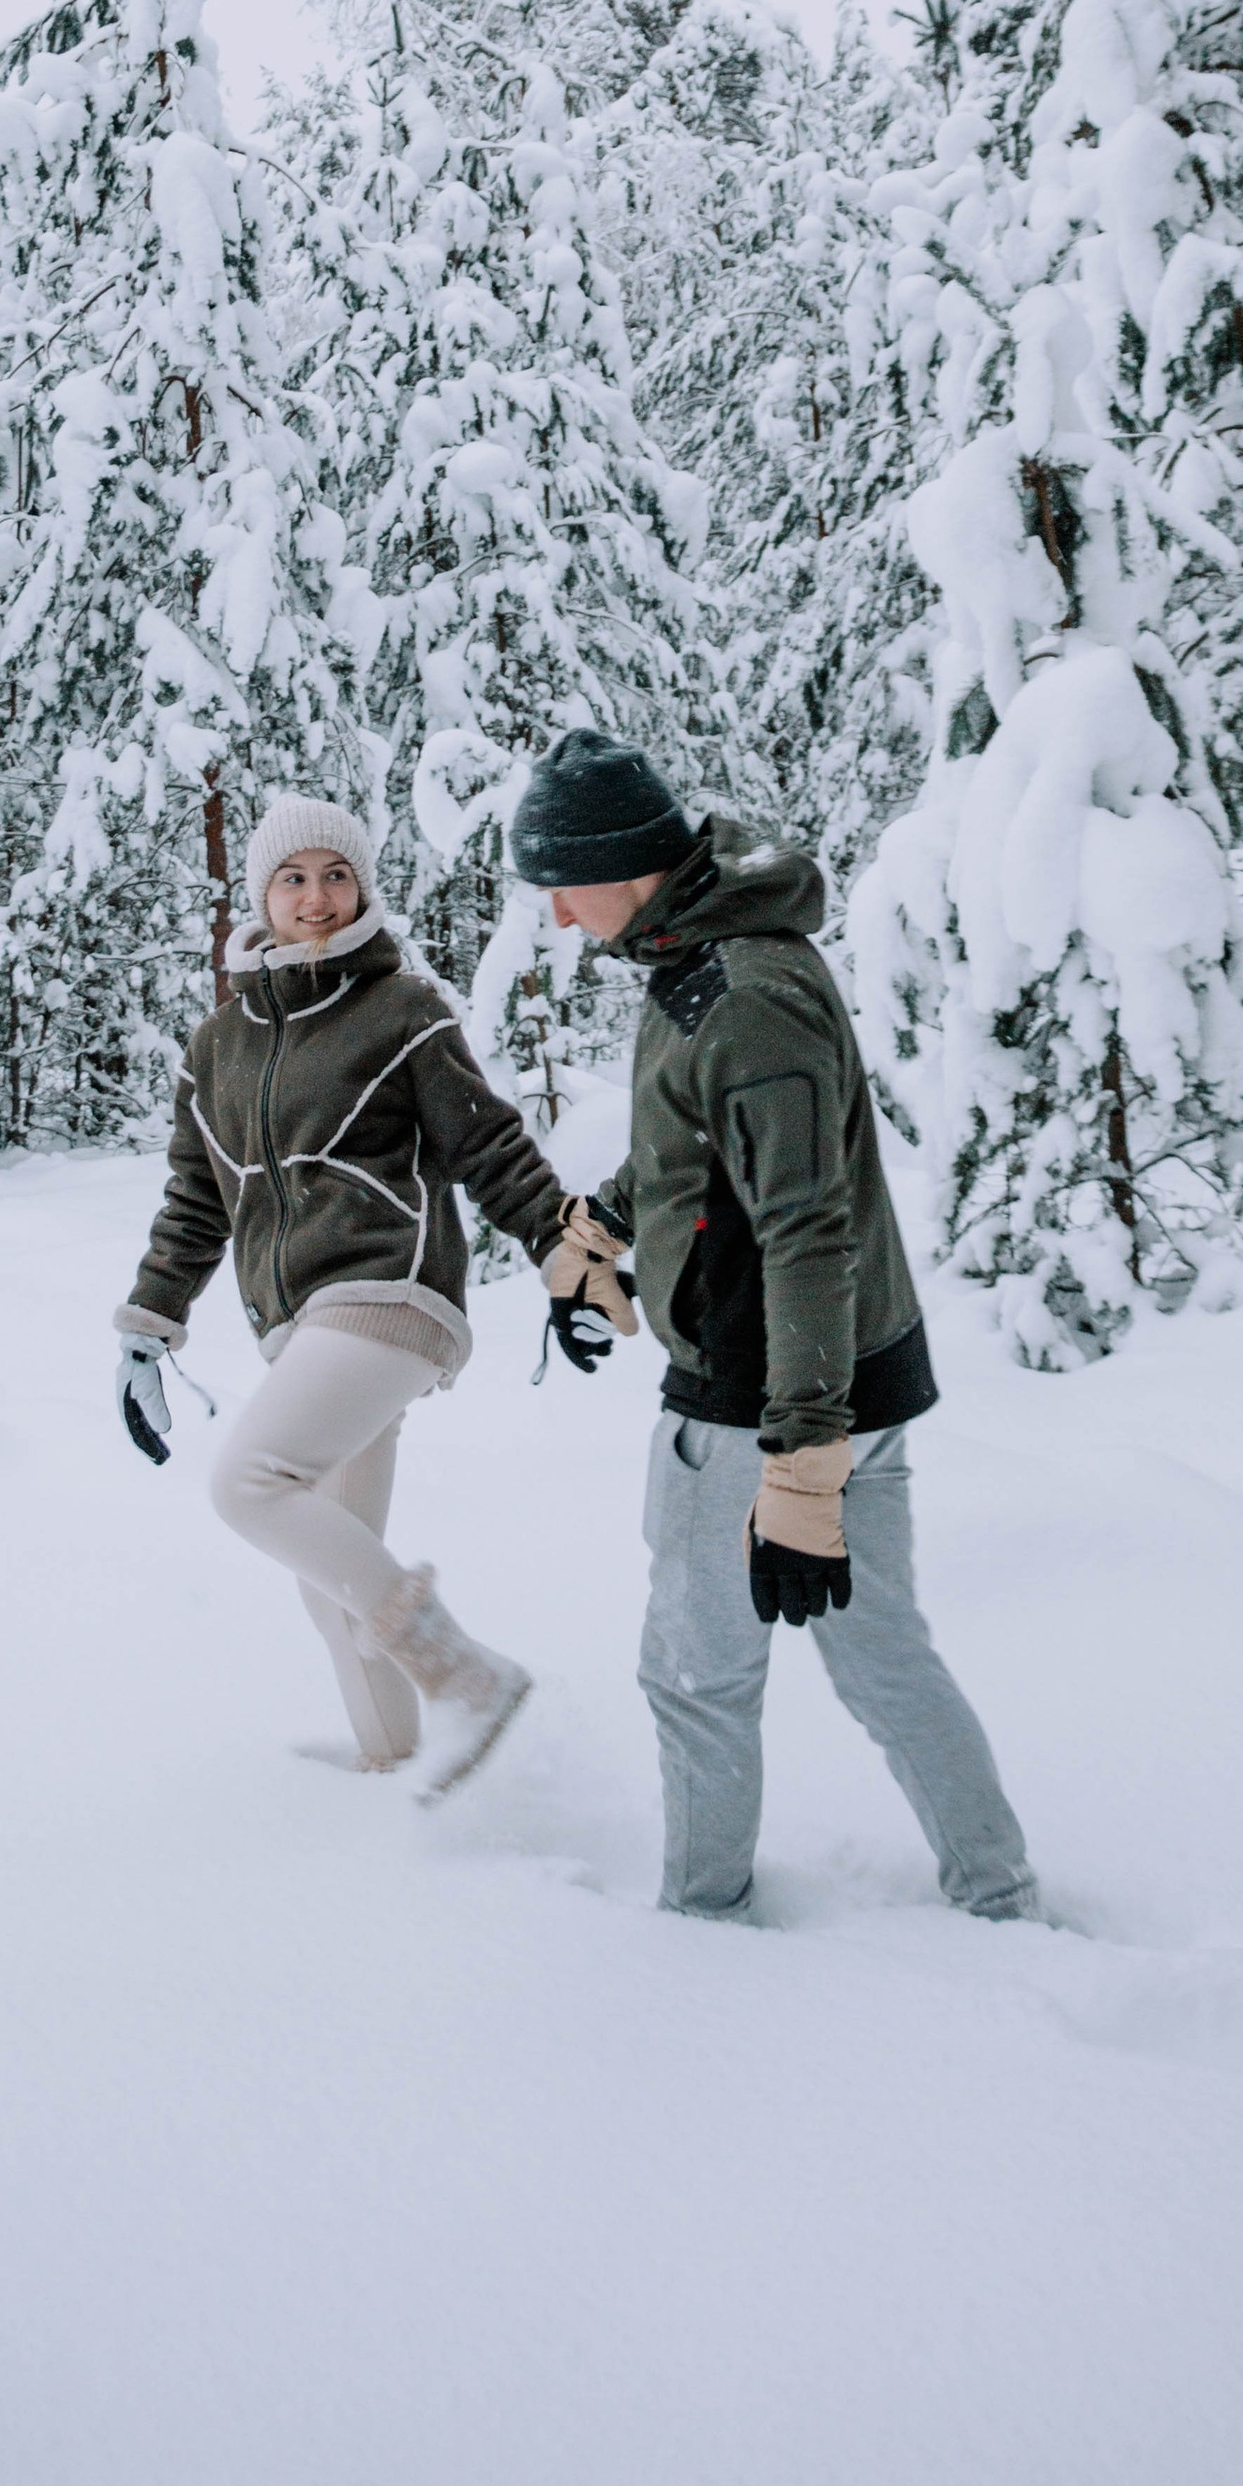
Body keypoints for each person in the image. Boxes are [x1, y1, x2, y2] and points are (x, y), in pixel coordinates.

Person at [509, 728, 1039, 1926]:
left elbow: (806, 1230)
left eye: (563, 883)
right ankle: (999, 1899)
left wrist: (800, 1462)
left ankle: (700, 1925)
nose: (555, 913)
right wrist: (601, 1229)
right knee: (881, 1654)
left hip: (767, 1401)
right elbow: (701, 1149)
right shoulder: (706, 956)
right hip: (838, 1383)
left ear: (622, 866)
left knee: (695, 1678)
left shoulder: (741, 999)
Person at [113, 792, 604, 1803]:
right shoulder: (217, 1045)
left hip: (391, 1290)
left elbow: (488, 1145)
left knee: (250, 1484)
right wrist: (148, 1329)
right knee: (332, 1579)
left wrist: (564, 1249)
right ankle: (399, 1773)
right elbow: (196, 1199)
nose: (317, 897)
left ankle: (468, 1680)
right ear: (261, 895)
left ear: (363, 888)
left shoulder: (401, 1010)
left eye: (336, 876)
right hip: (301, 1328)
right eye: (294, 878)